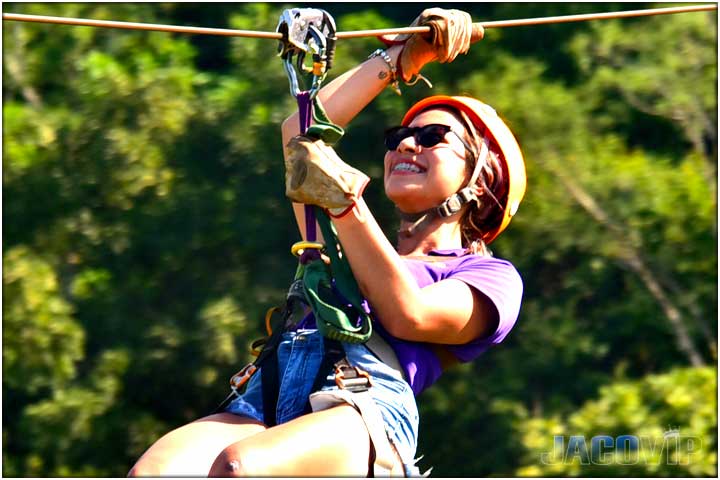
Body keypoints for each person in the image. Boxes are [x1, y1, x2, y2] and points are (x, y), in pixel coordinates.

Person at [128, 7, 525, 477]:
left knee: (241, 468)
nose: (405, 145)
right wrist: (397, 59)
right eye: (399, 136)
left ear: (481, 182)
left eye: (433, 137)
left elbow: (408, 313)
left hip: (362, 403)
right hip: (271, 391)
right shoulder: (341, 241)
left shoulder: (490, 277)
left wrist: (344, 205)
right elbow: (298, 136)